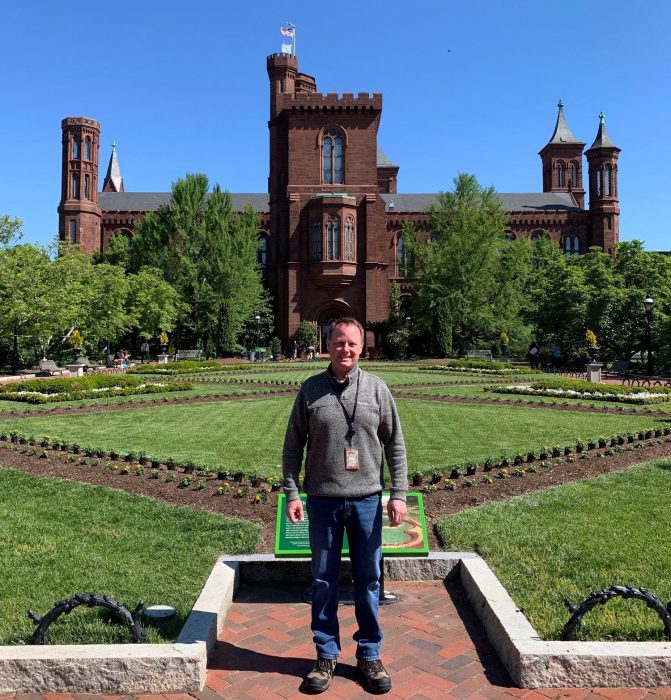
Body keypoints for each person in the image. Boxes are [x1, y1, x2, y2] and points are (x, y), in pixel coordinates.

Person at [283, 317, 407, 694]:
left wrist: (398, 493)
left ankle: (369, 654)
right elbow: (293, 446)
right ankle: (326, 654)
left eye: (352, 344)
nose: (346, 349)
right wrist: (292, 492)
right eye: (339, 343)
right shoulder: (311, 390)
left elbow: (395, 444)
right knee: (323, 580)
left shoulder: (376, 389)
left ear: (362, 346)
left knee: (370, 580)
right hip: (323, 501)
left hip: (367, 500)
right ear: (328, 344)